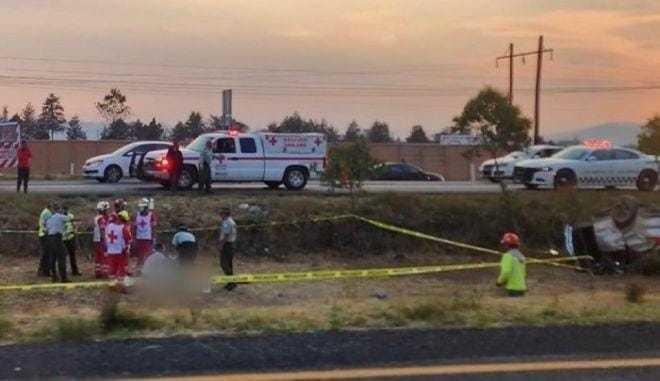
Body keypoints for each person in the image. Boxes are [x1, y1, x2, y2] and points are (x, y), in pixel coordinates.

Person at [496, 232, 527, 297]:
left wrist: (499, 282)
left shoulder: (507, 256)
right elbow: (523, 273)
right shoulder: (522, 256)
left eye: (504, 244)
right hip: (522, 289)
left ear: (507, 245)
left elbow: (506, 272)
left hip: (512, 289)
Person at [45, 204, 70, 283]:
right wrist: (65, 213)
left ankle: (54, 277)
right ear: (59, 209)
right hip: (57, 238)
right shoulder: (60, 216)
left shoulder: (49, 219)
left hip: (50, 238)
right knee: (62, 257)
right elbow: (68, 219)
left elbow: (46, 229)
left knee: (52, 258)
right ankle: (63, 278)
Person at [105, 212, 132, 281]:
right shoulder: (124, 228)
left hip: (110, 251)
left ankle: (112, 283)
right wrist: (126, 249)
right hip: (120, 252)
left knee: (112, 269)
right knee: (121, 269)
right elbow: (128, 239)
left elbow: (106, 237)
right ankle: (121, 284)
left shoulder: (109, 226)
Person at [218, 207, 238, 291]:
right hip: (230, 244)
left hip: (227, 245)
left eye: (221, 213)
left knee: (224, 264)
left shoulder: (227, 222)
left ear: (225, 214)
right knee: (228, 264)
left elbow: (226, 235)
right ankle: (231, 282)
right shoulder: (230, 221)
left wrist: (221, 245)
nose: (220, 215)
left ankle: (232, 282)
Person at [134, 198, 156, 270]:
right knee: (140, 253)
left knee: (148, 253)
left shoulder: (151, 215)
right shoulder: (137, 215)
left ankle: (147, 267)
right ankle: (139, 267)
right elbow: (134, 227)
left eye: (142, 207)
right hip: (139, 237)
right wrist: (134, 237)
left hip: (147, 237)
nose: (141, 208)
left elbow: (153, 227)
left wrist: (153, 237)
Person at [61, 205, 81, 276]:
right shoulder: (60, 217)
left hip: (70, 237)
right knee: (63, 256)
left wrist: (75, 230)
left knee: (72, 255)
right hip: (63, 238)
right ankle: (64, 271)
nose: (65, 211)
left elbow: (74, 225)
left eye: (66, 209)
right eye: (64, 209)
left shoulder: (71, 216)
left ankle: (75, 271)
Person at [93, 201, 110, 278]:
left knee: (98, 257)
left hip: (96, 239)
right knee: (104, 256)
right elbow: (102, 230)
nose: (107, 211)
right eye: (106, 210)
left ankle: (98, 272)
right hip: (101, 239)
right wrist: (105, 240)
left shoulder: (97, 217)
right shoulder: (102, 219)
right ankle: (105, 273)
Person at [37, 202, 54, 277]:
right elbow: (47, 224)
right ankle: (44, 271)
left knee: (45, 254)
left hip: (42, 234)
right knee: (46, 254)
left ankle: (43, 271)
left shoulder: (44, 212)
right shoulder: (48, 213)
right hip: (45, 235)